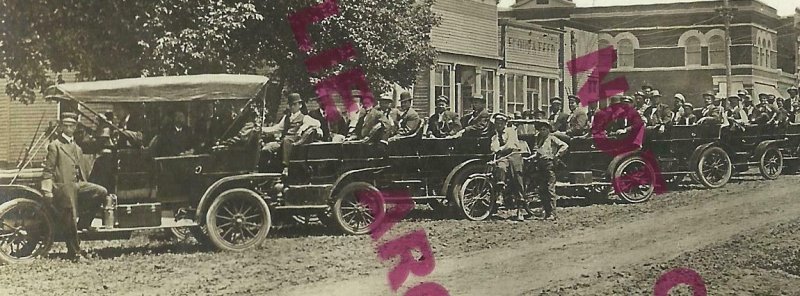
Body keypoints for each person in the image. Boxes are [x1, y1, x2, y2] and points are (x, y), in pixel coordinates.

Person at [41, 112, 108, 260]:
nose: (68, 128)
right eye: (65, 125)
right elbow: (48, 170)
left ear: (75, 126)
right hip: (62, 186)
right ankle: (75, 253)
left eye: (71, 125)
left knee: (101, 192)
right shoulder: (55, 146)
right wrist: (47, 190)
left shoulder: (77, 147)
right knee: (70, 210)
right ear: (61, 127)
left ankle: (84, 223)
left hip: (77, 184)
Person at [262, 93, 321, 170]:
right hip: (282, 142)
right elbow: (277, 128)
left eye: (294, 104)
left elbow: (317, 123)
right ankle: (265, 173)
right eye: (290, 105)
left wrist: (303, 127)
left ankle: (285, 167)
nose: (292, 107)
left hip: (294, 144)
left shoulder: (305, 118)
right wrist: (263, 129)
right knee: (266, 149)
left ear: (300, 105)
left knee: (286, 140)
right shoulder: (286, 117)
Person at [489, 113, 527, 221]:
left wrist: (499, 149)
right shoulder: (495, 136)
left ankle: (520, 209)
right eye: (496, 123)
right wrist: (498, 150)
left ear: (505, 123)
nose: (498, 125)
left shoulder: (511, 131)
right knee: (500, 167)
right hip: (503, 156)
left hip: (514, 154)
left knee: (517, 177)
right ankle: (500, 193)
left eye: (501, 123)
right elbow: (493, 147)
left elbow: (510, 144)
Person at [529, 119, 568, 221]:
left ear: (548, 130)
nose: (542, 131)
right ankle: (547, 212)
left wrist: (557, 155)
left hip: (549, 165)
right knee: (542, 189)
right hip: (540, 165)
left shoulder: (552, 138)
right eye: (540, 129)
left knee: (550, 189)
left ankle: (553, 213)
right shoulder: (539, 140)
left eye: (544, 129)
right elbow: (538, 152)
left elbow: (564, 146)